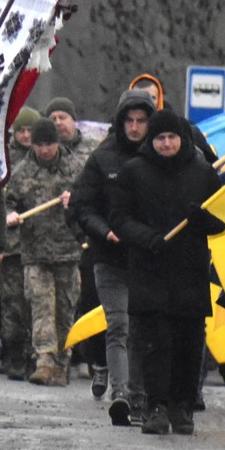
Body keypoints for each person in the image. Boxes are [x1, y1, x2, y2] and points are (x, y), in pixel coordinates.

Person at [104, 109, 224, 436]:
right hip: (149, 272)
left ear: (182, 139)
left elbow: (224, 217)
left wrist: (203, 221)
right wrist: (146, 238)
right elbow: (119, 217)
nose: (166, 143)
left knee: (188, 343)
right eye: (160, 138)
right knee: (153, 344)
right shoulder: (133, 172)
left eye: (172, 137)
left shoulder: (202, 173)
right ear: (151, 140)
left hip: (190, 273)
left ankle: (182, 407)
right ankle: (154, 407)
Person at [70, 83, 157, 425]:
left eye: (141, 120)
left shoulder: (162, 158)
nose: (135, 127)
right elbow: (81, 204)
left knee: (143, 328)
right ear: (121, 122)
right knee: (118, 325)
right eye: (129, 120)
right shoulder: (103, 158)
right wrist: (100, 230)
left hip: (149, 259)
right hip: (109, 257)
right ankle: (121, 393)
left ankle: (142, 393)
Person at [4, 118, 82, 386]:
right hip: (35, 251)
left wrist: (77, 202)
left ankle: (62, 360)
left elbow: (93, 202)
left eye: (49, 145)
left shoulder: (75, 169)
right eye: (39, 145)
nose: (45, 151)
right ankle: (44, 360)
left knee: (65, 308)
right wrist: (10, 216)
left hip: (68, 251)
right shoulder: (22, 172)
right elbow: (6, 203)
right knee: (40, 305)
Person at [0, 106, 43, 377]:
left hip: (39, 244)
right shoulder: (5, 159)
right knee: (12, 303)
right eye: (22, 130)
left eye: (31, 131)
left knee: (34, 304)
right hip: (12, 246)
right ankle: (12, 354)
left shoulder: (44, 157)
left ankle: (33, 355)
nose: (26, 136)